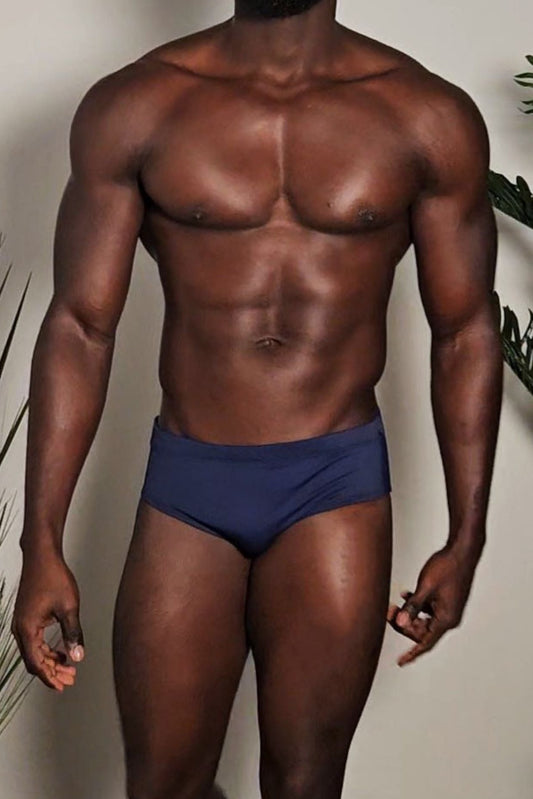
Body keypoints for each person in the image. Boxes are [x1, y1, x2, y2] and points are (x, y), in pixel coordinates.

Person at [11, 0, 503, 797]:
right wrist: (41, 544)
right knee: (162, 784)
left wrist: (465, 535)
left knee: (305, 783)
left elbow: (465, 332)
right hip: (190, 482)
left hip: (334, 483)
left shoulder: (424, 115)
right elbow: (79, 327)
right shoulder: (137, 105)